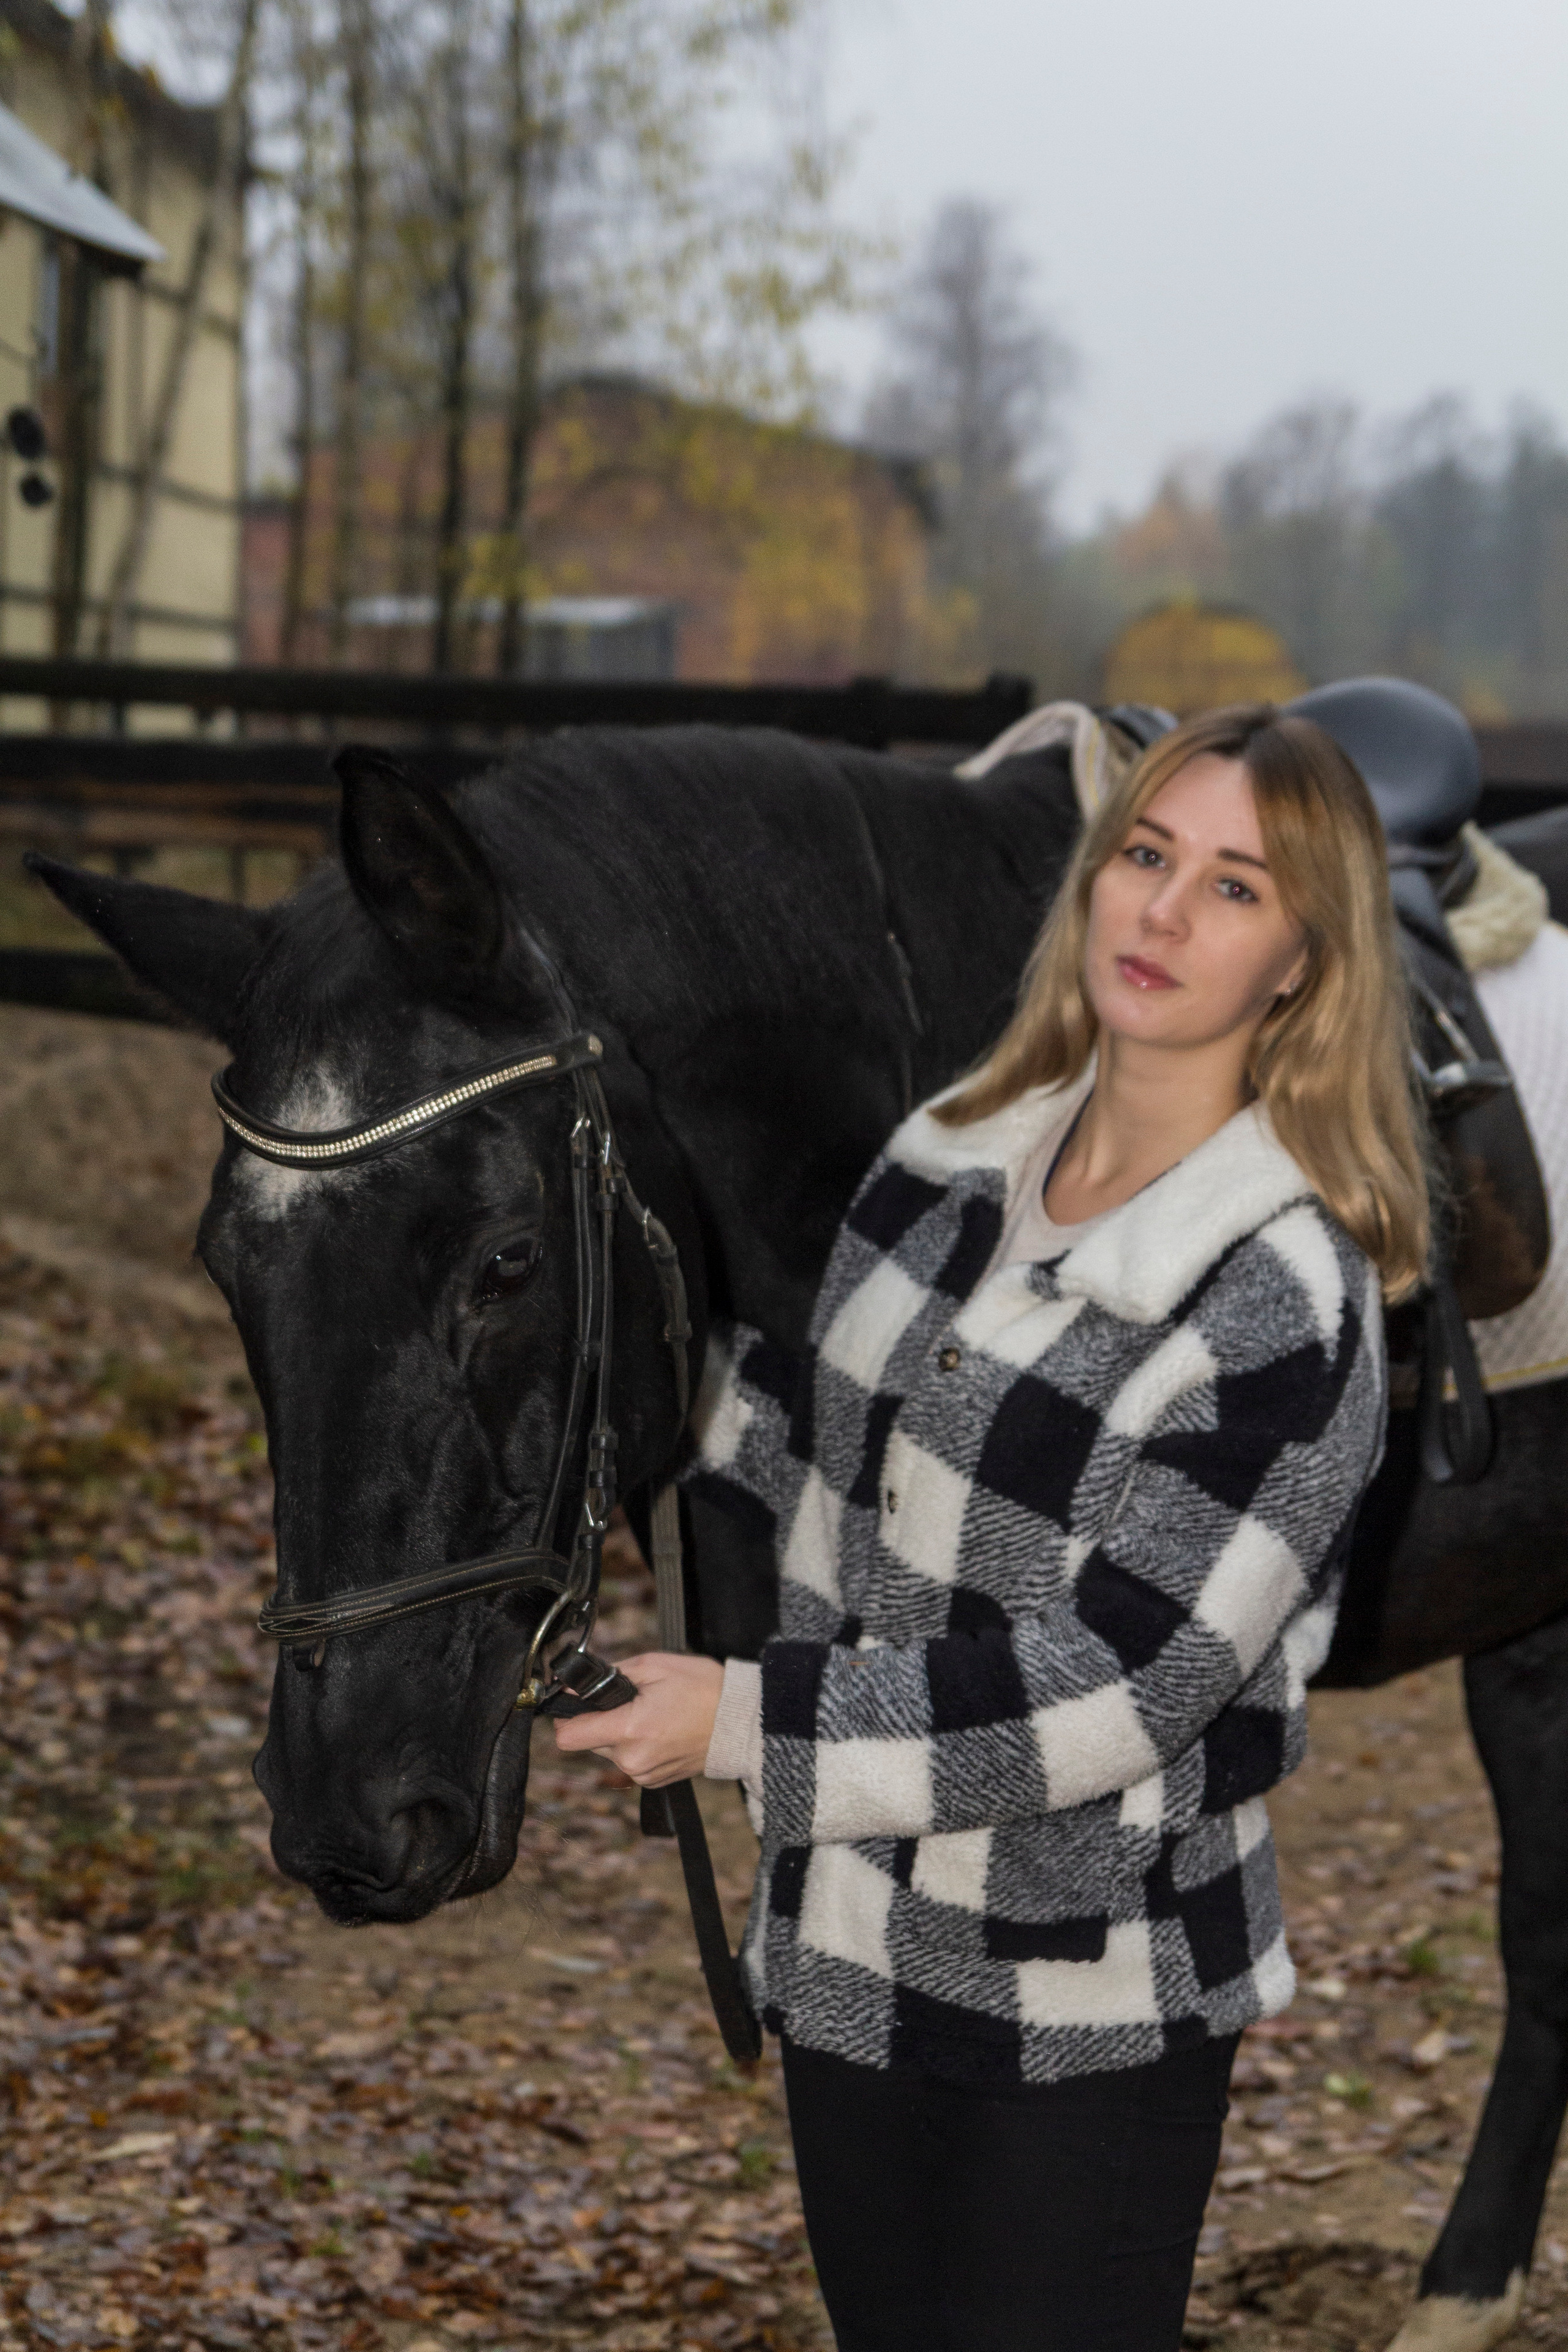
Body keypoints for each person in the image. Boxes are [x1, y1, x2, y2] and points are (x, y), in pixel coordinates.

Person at [554, 704, 1428, 2351]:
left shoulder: (1282, 1296)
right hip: (849, 1954)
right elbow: (817, 1451)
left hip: (1083, 2000)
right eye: (1148, 857)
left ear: (1306, 963)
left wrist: (737, 1721)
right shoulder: (952, 1158)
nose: (1164, 914)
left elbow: (1122, 1687)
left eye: (1237, 890)